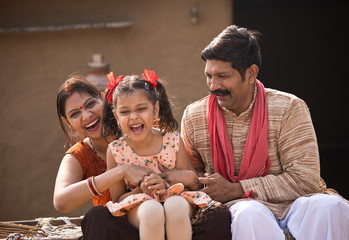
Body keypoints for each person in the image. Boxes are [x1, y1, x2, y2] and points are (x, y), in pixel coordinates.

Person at [180, 25, 349, 240]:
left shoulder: (288, 108)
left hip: (295, 205)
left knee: (330, 206)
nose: (213, 85)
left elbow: (305, 179)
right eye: (209, 75)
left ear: (251, 73)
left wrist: (237, 188)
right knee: (249, 213)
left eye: (223, 76)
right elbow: (190, 174)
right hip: (242, 208)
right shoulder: (195, 116)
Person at [55, 75, 231, 240]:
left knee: (207, 213)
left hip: (176, 210)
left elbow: (193, 180)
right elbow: (62, 202)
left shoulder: (164, 136)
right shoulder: (108, 151)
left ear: (103, 100)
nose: (86, 116)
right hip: (131, 219)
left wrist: (165, 177)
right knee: (104, 215)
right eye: (75, 114)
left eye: (90, 104)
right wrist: (122, 172)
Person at [101, 70, 215, 240]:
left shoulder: (173, 140)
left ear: (155, 110)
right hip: (139, 205)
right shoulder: (116, 150)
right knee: (151, 209)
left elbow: (194, 182)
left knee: (175, 205)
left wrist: (167, 178)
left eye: (141, 109)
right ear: (116, 115)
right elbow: (118, 199)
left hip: (176, 197)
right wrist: (142, 189)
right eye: (124, 112)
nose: (133, 116)